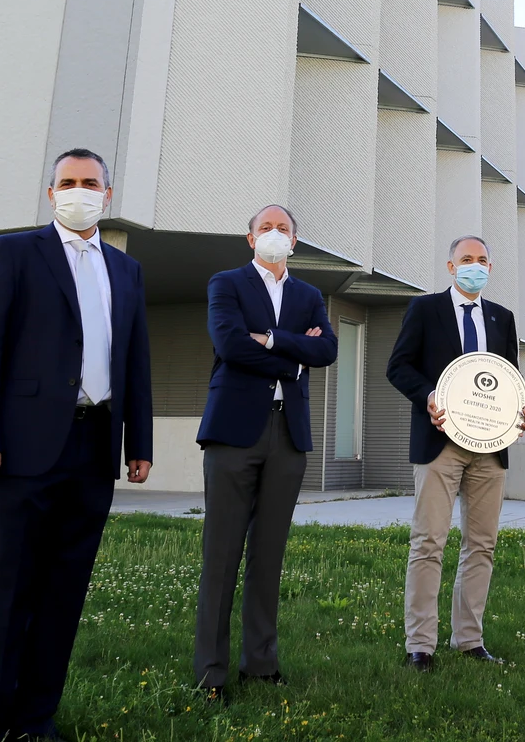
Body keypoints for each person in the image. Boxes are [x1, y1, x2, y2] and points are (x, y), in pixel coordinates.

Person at [0, 148, 153, 742]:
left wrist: (136, 441)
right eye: (68, 182)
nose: (78, 191)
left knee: (63, 594)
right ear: (50, 194)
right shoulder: (13, 252)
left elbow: (134, 359)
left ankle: (34, 721)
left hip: (94, 448)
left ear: (107, 196)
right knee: (1, 594)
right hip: (20, 450)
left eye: (90, 183)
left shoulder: (126, 269)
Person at [192, 205, 337, 703]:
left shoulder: (308, 295)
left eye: (283, 228)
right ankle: (211, 673)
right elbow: (230, 345)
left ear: (295, 240)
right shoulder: (227, 283)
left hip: (287, 435)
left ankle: (261, 663)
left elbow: (328, 351)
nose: (274, 234)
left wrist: (275, 339)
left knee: (268, 555)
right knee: (222, 554)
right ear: (249, 238)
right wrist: (296, 356)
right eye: (265, 228)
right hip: (234, 432)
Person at [386, 235, 525, 671]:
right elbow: (398, 366)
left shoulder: (501, 317)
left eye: (483, 259)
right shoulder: (425, 309)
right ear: (451, 267)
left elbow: (509, 379)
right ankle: (421, 645)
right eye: (466, 259)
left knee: (481, 545)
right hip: (440, 444)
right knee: (429, 542)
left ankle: (470, 639)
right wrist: (429, 395)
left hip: (490, 449)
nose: (476, 265)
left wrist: (519, 411)